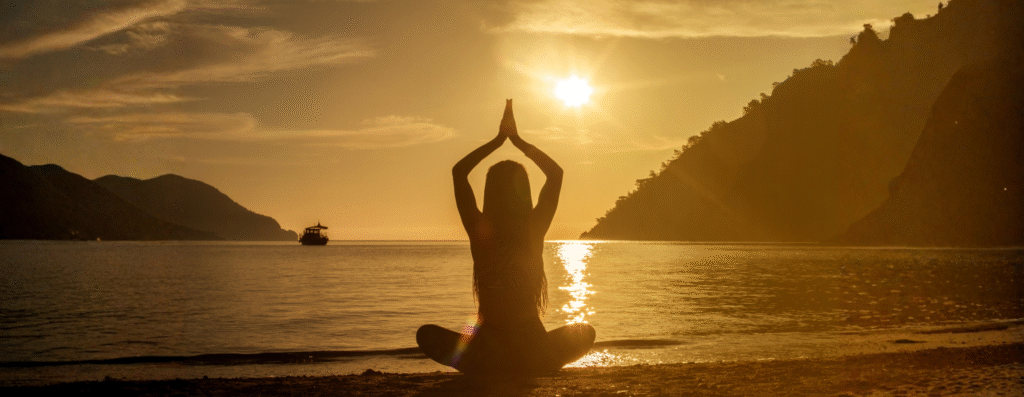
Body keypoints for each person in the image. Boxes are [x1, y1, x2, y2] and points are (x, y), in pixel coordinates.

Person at [417, 99, 596, 375]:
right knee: (585, 332)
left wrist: (499, 141)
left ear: (490, 192)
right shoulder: (534, 227)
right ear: (524, 192)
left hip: (489, 343)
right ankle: (537, 362)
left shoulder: (479, 227)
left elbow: (459, 172)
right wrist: (518, 141)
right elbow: (555, 174)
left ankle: (487, 364)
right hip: (531, 343)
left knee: (427, 334)